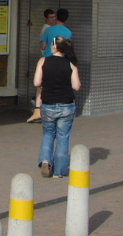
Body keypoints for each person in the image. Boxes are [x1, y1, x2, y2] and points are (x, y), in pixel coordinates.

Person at [33, 36, 81, 178]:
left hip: (48, 103)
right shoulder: (70, 64)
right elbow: (76, 86)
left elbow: (36, 82)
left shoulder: (43, 61)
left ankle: (45, 160)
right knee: (62, 137)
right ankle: (59, 172)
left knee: (48, 133)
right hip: (66, 104)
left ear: (53, 47)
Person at [27, 9, 57, 123]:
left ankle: (40, 106)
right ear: (46, 18)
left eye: (54, 17)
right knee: (42, 85)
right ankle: (37, 104)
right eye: (51, 17)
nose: (53, 19)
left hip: (47, 60)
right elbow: (43, 45)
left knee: (44, 85)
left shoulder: (48, 29)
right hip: (46, 59)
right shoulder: (47, 29)